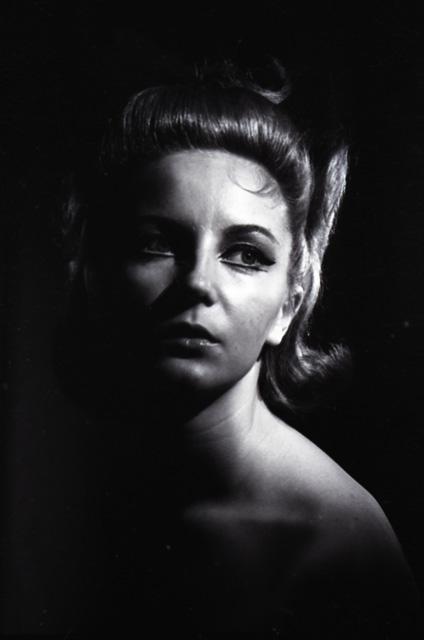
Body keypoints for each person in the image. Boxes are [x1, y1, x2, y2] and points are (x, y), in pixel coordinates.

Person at [56, 61, 419, 637]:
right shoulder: (112, 494)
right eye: (156, 243)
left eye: (246, 255)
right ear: (96, 276)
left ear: (289, 304)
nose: (198, 282)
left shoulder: (333, 543)